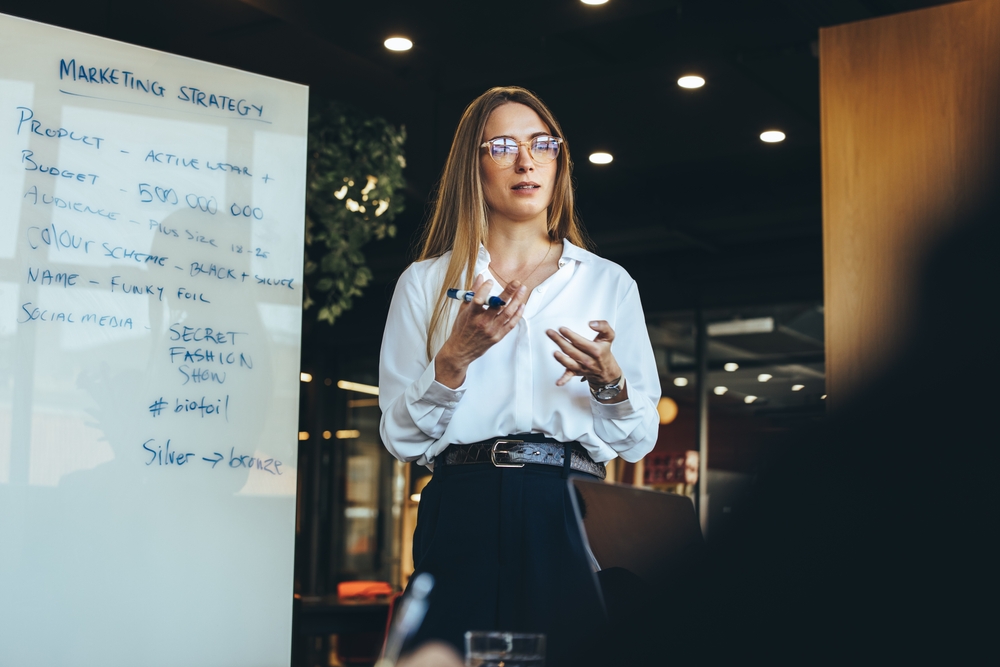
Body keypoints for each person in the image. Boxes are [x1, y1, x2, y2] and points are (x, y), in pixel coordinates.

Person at [378, 86, 661, 665]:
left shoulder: (607, 282)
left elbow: (637, 437)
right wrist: (452, 362)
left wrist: (610, 381)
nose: (525, 161)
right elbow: (402, 439)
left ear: (559, 163)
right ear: (472, 165)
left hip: (566, 504)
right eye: (502, 146)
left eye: (542, 145)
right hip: (461, 502)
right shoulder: (425, 284)